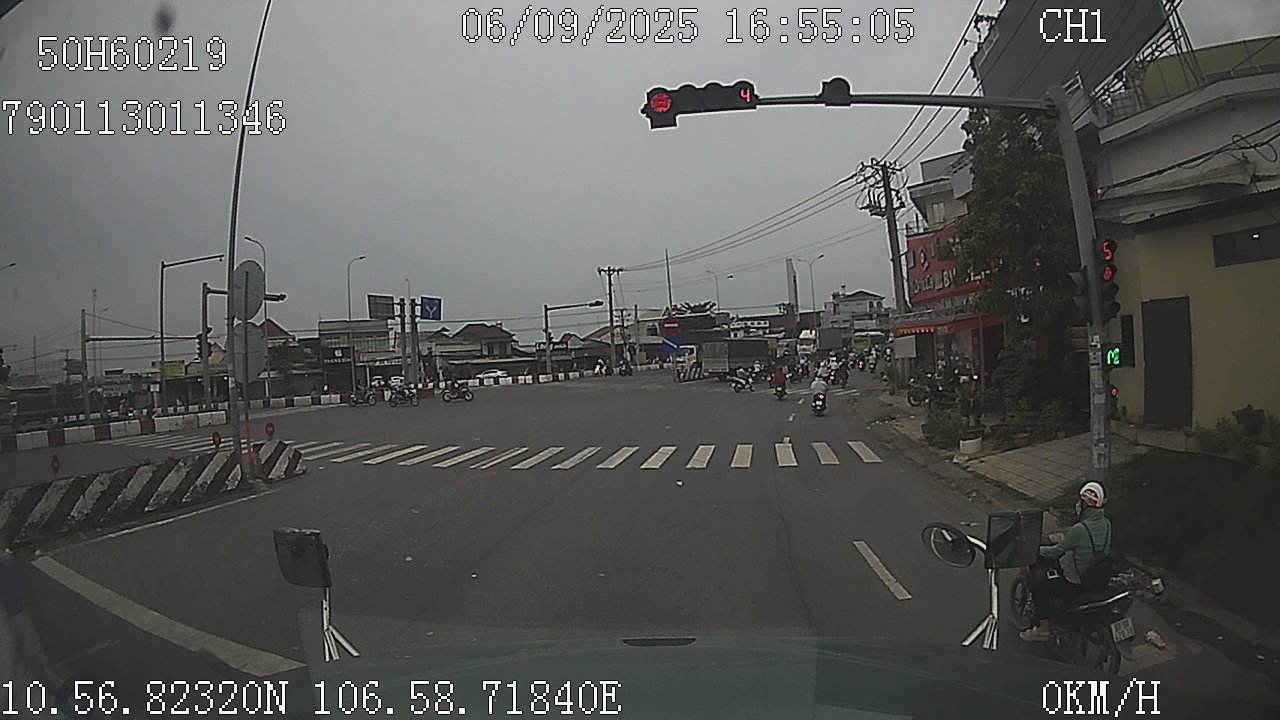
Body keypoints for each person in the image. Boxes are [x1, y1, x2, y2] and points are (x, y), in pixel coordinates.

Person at [1020, 482, 1112, 642]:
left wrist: (1036, 550)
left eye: (1080, 501)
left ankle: (1043, 630)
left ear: (1086, 504)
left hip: (1076, 581)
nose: (1077, 505)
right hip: (1095, 577)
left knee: (1039, 588)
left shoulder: (1080, 529)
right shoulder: (1107, 524)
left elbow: (1055, 551)